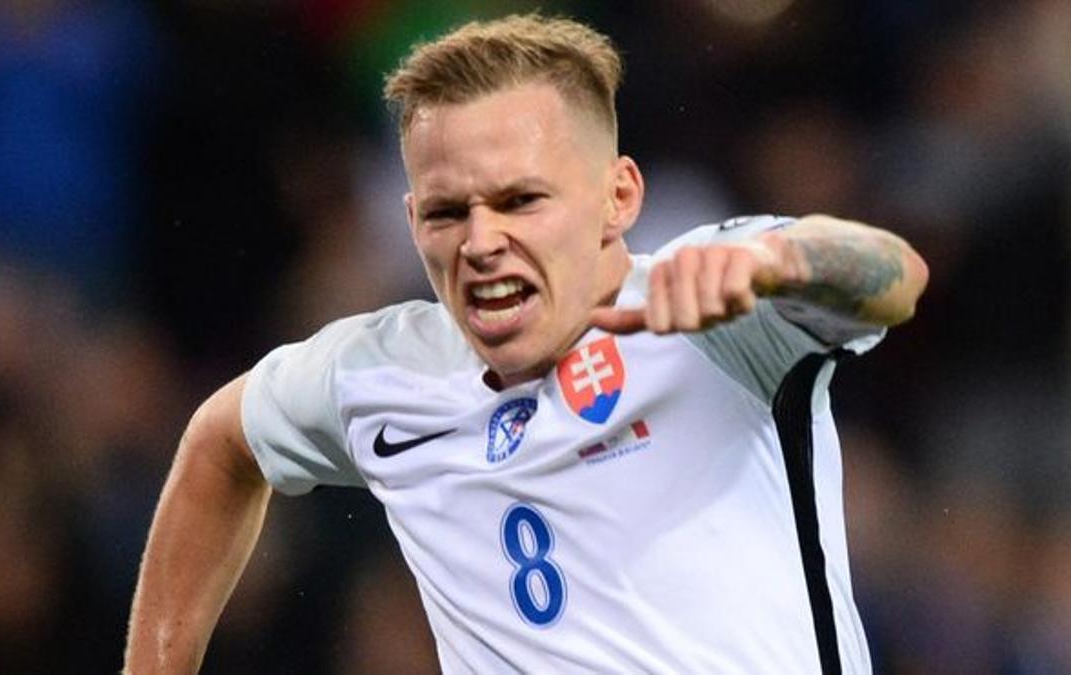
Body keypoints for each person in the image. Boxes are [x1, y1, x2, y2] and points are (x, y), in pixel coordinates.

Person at [125, 14, 928, 674]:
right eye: (447, 212)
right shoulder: (377, 372)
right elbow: (221, 444)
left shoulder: (718, 302)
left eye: (520, 200)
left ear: (618, 196)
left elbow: (893, 273)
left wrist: (788, 260)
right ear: (411, 223)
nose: (481, 241)